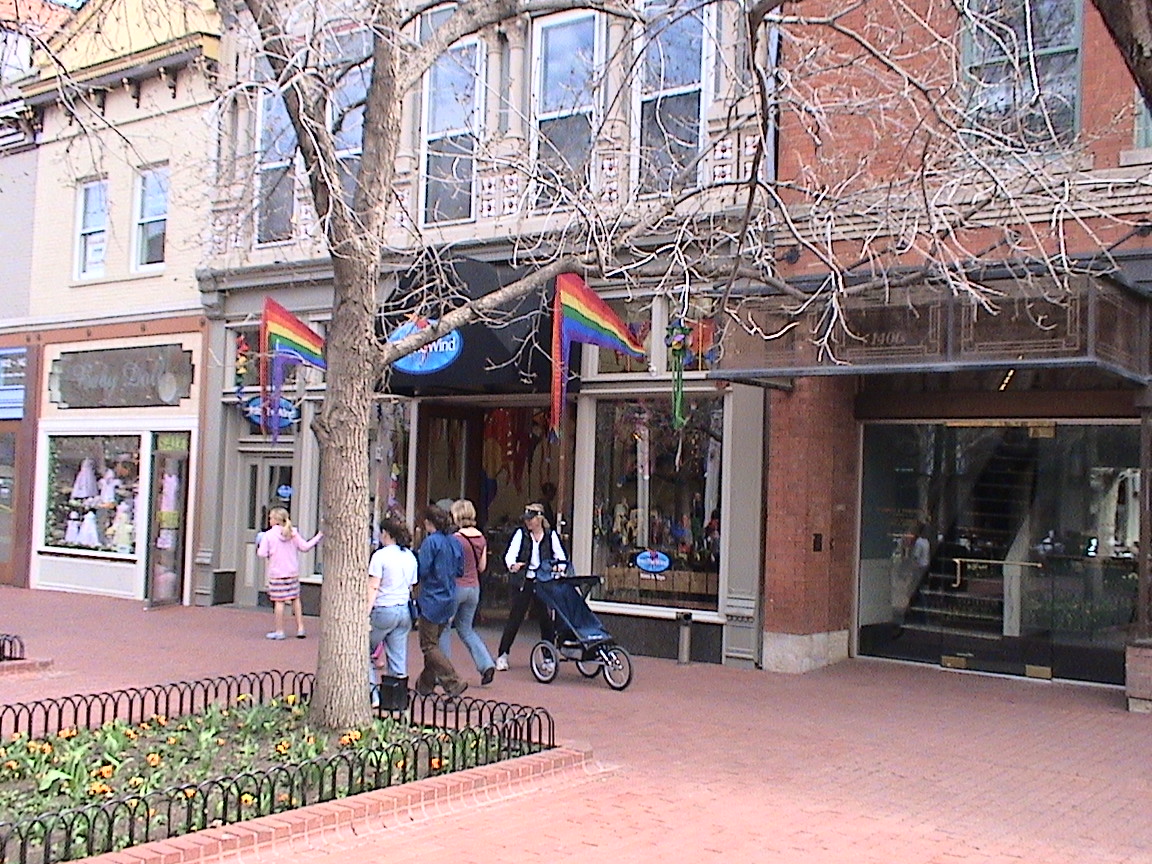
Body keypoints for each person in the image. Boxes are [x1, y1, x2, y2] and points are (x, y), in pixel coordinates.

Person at [494, 502, 566, 671]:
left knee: (546, 621)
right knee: (515, 618)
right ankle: (503, 654)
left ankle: (548, 657)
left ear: (539, 519)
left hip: (543, 581)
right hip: (524, 581)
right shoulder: (521, 534)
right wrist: (513, 565)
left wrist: (558, 568)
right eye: (526, 519)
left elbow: (561, 557)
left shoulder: (550, 535)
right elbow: (510, 555)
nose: (527, 522)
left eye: (531, 519)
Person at [414, 505, 469, 698]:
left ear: (429, 522)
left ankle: (453, 681)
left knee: (428, 645)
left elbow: (422, 570)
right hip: (449, 596)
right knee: (434, 643)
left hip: (432, 598)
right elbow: (460, 570)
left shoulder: (431, 542)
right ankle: (425, 684)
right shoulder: (455, 542)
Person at [440, 499, 497, 686]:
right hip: (474, 588)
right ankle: (486, 663)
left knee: (444, 628)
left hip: (457, 587)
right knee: (466, 629)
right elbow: (482, 567)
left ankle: (444, 672)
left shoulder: (455, 538)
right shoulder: (481, 538)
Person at [257, 507, 322, 640]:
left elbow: (261, 553)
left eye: (271, 518)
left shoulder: (268, 535)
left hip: (277, 573)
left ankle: (279, 631)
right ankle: (300, 628)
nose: (269, 520)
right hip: (292, 572)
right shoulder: (293, 533)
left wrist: (261, 544)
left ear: (276, 520)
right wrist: (319, 536)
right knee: (295, 599)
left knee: (279, 602)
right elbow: (305, 547)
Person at [367, 518, 418, 680]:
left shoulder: (380, 556)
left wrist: (365, 612)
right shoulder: (410, 556)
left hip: (383, 608)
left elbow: (373, 586)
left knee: (362, 651)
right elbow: (412, 585)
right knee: (398, 658)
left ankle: (371, 690)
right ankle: (398, 692)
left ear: (386, 533)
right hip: (403, 609)